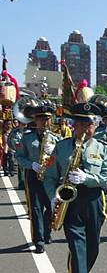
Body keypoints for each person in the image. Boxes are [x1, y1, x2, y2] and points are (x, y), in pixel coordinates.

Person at [44, 103, 107, 273]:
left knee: (92, 246)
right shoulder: (63, 147)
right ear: (74, 125)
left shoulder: (104, 148)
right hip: (70, 201)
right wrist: (54, 196)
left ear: (96, 125)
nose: (85, 128)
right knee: (77, 248)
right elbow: (50, 176)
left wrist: (89, 178)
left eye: (89, 123)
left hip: (94, 200)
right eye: (81, 123)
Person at [15, 102, 60, 253]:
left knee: (51, 206)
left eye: (47, 119)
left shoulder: (57, 139)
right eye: (41, 119)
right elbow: (19, 157)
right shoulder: (27, 138)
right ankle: (39, 240)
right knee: (36, 209)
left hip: (51, 176)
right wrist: (31, 164)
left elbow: (64, 157)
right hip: (33, 175)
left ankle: (47, 231)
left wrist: (55, 150)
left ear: (51, 120)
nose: (44, 122)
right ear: (36, 120)